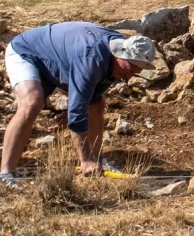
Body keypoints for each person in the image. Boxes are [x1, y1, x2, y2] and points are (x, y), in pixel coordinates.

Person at [0, 22, 156, 188]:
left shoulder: (117, 61)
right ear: (120, 54)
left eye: (135, 72)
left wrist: (73, 112)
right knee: (32, 102)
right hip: (26, 51)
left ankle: (98, 160)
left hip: (60, 59)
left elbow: (93, 92)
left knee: (97, 104)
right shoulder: (92, 58)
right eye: (129, 68)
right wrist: (84, 159)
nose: (129, 76)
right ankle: (5, 173)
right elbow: (78, 110)